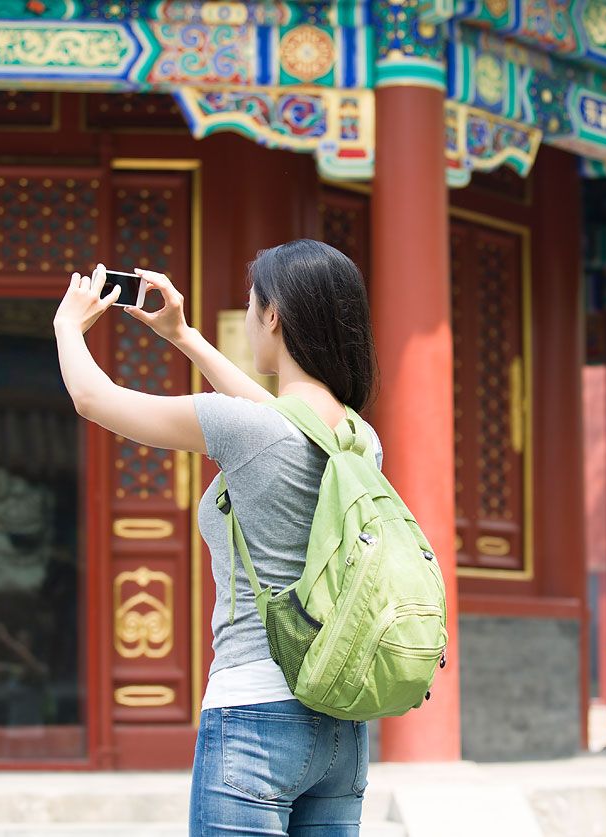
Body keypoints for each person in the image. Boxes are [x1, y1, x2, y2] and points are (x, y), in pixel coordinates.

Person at [54, 240, 378, 836]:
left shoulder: (244, 429)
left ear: (273, 315)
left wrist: (67, 325)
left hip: (255, 714)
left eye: (252, 306)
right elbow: (279, 418)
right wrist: (183, 336)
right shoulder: (358, 438)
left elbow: (93, 398)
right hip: (342, 727)